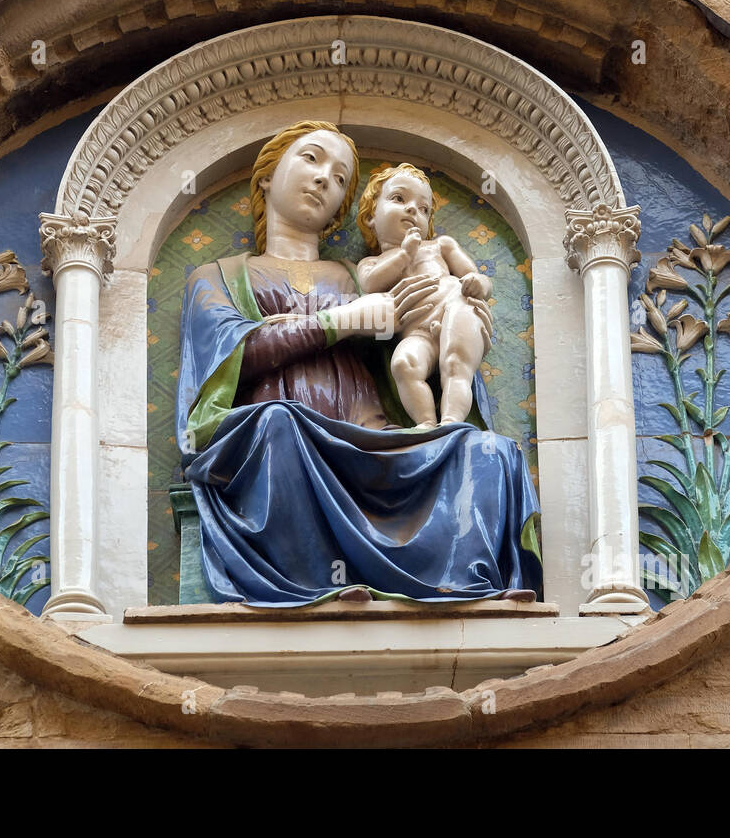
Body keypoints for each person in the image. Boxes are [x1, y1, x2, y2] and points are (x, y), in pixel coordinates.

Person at [176, 119, 541, 606]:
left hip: (371, 438)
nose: (326, 177)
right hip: (277, 438)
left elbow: (419, 342)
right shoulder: (218, 275)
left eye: (342, 177)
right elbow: (230, 356)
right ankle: (315, 588)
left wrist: (457, 311)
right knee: (281, 426)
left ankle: (469, 586)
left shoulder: (365, 275)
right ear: (266, 177)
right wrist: (339, 321)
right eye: (311, 159)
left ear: (345, 210)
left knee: (487, 451)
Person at [355, 163, 494, 429]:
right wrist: (404, 254)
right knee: (404, 364)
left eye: (423, 209)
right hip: (417, 331)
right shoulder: (371, 263)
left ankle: (452, 421)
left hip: (457, 309)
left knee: (456, 363)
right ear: (371, 214)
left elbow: (477, 277)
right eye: (399, 198)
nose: (412, 210)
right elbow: (370, 284)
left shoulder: (440, 246)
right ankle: (426, 423)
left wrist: (479, 283)